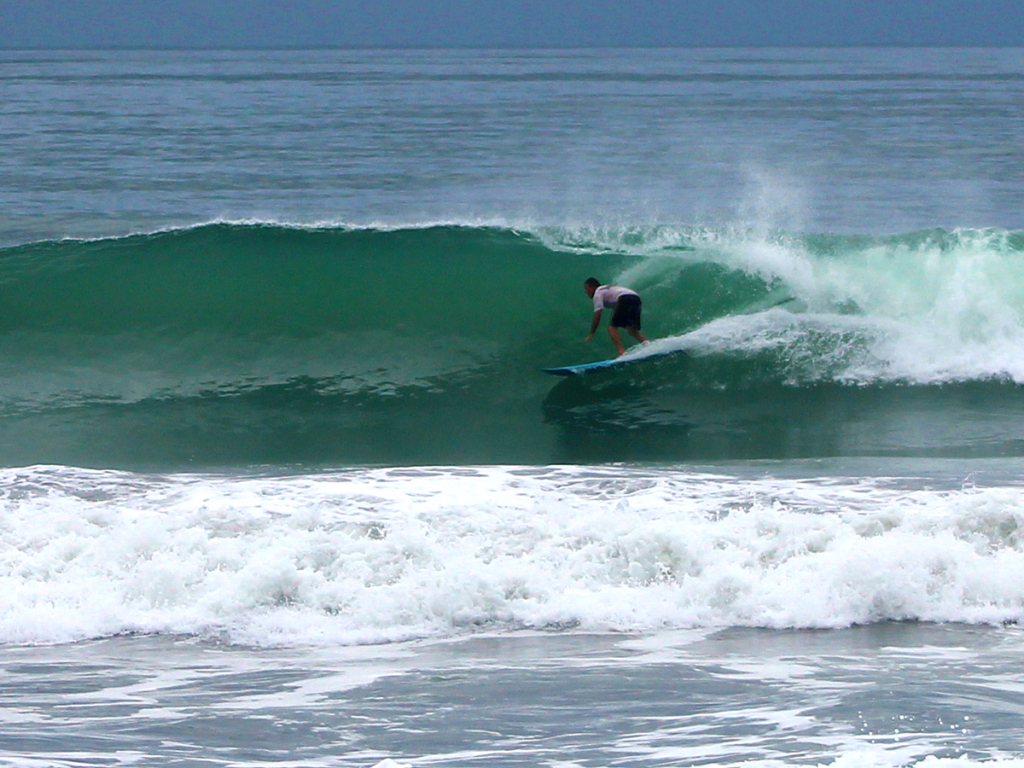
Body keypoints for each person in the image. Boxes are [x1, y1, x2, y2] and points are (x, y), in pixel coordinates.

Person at [583, 277, 648, 357]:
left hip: (624, 298)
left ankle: (622, 352)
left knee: (612, 328)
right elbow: (618, 308)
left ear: (592, 287)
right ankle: (648, 345)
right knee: (632, 330)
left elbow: (598, 314)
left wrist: (592, 333)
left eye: (586, 289)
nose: (586, 292)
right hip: (635, 298)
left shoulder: (597, 293)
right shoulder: (606, 289)